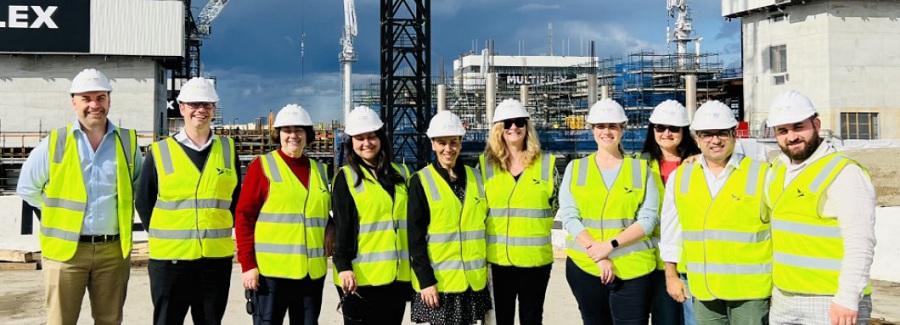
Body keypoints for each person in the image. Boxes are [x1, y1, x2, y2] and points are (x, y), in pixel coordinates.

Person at [17, 68, 140, 325]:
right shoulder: (55, 142)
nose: (94, 105)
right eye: (86, 98)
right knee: (60, 321)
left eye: (100, 97)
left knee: (110, 321)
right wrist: (56, 213)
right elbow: (27, 187)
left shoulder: (127, 143)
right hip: (65, 255)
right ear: (74, 102)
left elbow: (137, 187)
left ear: (109, 100)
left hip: (113, 252)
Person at [135, 77, 241, 325]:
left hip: (214, 260)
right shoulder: (159, 152)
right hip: (170, 261)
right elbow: (144, 202)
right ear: (181, 107)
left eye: (207, 104)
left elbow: (234, 199)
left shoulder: (228, 150)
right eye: (194, 104)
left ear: (214, 109)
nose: (200, 110)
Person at [764, 91, 876, 325]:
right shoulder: (777, 170)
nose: (792, 137)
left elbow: (860, 240)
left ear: (816, 124)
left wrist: (847, 297)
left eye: (798, 127)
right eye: (782, 131)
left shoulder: (844, 172)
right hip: (785, 297)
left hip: (830, 300)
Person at [659, 100, 771, 325]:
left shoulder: (762, 174)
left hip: (750, 291)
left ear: (734, 134)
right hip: (704, 288)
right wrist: (671, 276)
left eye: (722, 133)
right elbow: (671, 231)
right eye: (707, 134)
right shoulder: (681, 177)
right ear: (696, 138)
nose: (715, 140)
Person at [559, 98, 660, 325]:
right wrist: (597, 254)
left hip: (632, 269)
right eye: (601, 126)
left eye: (613, 126)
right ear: (592, 129)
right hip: (587, 266)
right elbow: (570, 215)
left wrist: (609, 247)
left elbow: (647, 220)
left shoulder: (640, 169)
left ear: (622, 129)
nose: (607, 131)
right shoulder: (576, 168)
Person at [235, 104, 331, 325]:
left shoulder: (320, 170)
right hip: (271, 275)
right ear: (278, 134)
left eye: (299, 130)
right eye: (287, 130)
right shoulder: (263, 166)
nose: (293, 136)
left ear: (308, 135)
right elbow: (244, 217)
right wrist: (248, 265)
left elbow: (318, 212)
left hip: (310, 274)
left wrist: (331, 225)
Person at [407, 110, 492, 325]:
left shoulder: (476, 177)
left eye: (453, 142)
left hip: (472, 281)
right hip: (440, 283)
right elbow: (415, 238)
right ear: (433, 144)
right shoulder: (421, 181)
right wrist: (426, 281)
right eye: (441, 143)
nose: (448, 149)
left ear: (461, 143)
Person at [331, 106, 413, 324]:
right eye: (359, 138)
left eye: (371, 136)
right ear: (351, 143)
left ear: (381, 138)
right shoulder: (346, 177)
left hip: (396, 276)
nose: (366, 143)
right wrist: (344, 267)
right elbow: (343, 227)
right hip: (360, 278)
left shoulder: (401, 173)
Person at [478, 99, 555, 325]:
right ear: (498, 129)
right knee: (501, 319)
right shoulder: (485, 166)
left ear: (527, 126)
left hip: (535, 261)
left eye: (519, 122)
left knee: (532, 318)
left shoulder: (546, 164)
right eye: (507, 123)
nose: (514, 128)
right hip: (499, 260)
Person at [639, 100, 700, 325]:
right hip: (651, 262)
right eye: (660, 128)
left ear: (684, 131)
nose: (667, 133)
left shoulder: (699, 165)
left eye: (674, 128)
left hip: (687, 260)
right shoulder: (640, 165)